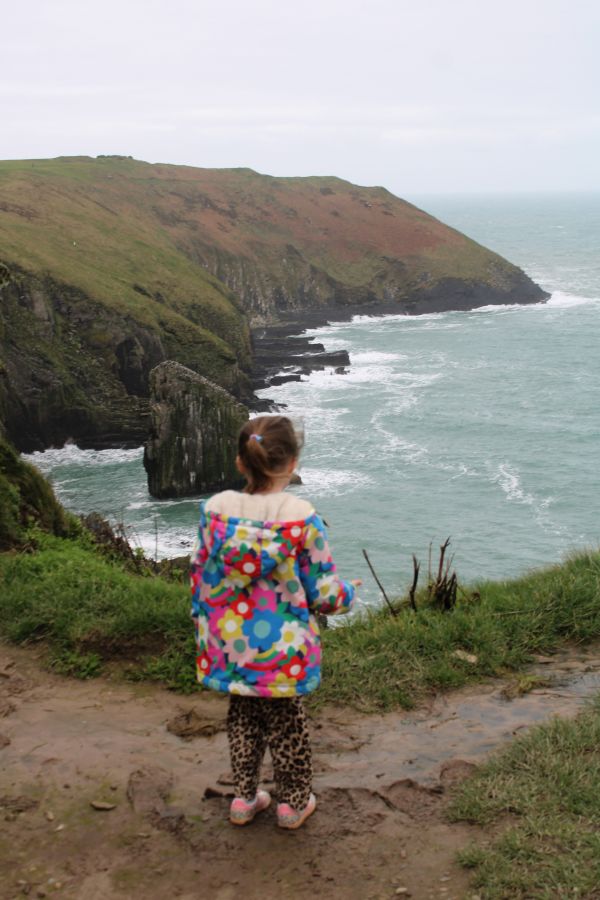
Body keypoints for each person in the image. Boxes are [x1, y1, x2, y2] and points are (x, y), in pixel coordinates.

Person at [190, 414, 360, 829]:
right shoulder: (301, 518)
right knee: (288, 728)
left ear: (240, 462)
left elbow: (199, 575)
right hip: (283, 650)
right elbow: (323, 594)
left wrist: (207, 626)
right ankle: (293, 805)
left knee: (243, 720)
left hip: (231, 645)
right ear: (293, 462)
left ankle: (244, 800)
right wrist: (349, 592)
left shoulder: (215, 512)